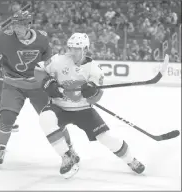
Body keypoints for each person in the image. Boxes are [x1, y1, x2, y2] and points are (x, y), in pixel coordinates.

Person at [0, 10, 79, 167]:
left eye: (20, 25)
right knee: (6, 118)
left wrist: (53, 79)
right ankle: (0, 149)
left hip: (37, 86)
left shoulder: (42, 38)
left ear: (28, 25)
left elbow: (48, 62)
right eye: (14, 24)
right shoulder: (4, 38)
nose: (16, 28)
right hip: (13, 85)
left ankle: (69, 149)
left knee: (54, 119)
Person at [35, 33, 145, 179]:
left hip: (83, 109)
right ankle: (67, 156)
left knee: (106, 138)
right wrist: (47, 82)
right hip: (59, 107)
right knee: (45, 118)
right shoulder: (58, 60)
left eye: (76, 49)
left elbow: (96, 98)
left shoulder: (94, 69)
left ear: (85, 49)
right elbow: (38, 68)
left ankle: (131, 160)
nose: (72, 51)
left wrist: (92, 92)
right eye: (70, 48)